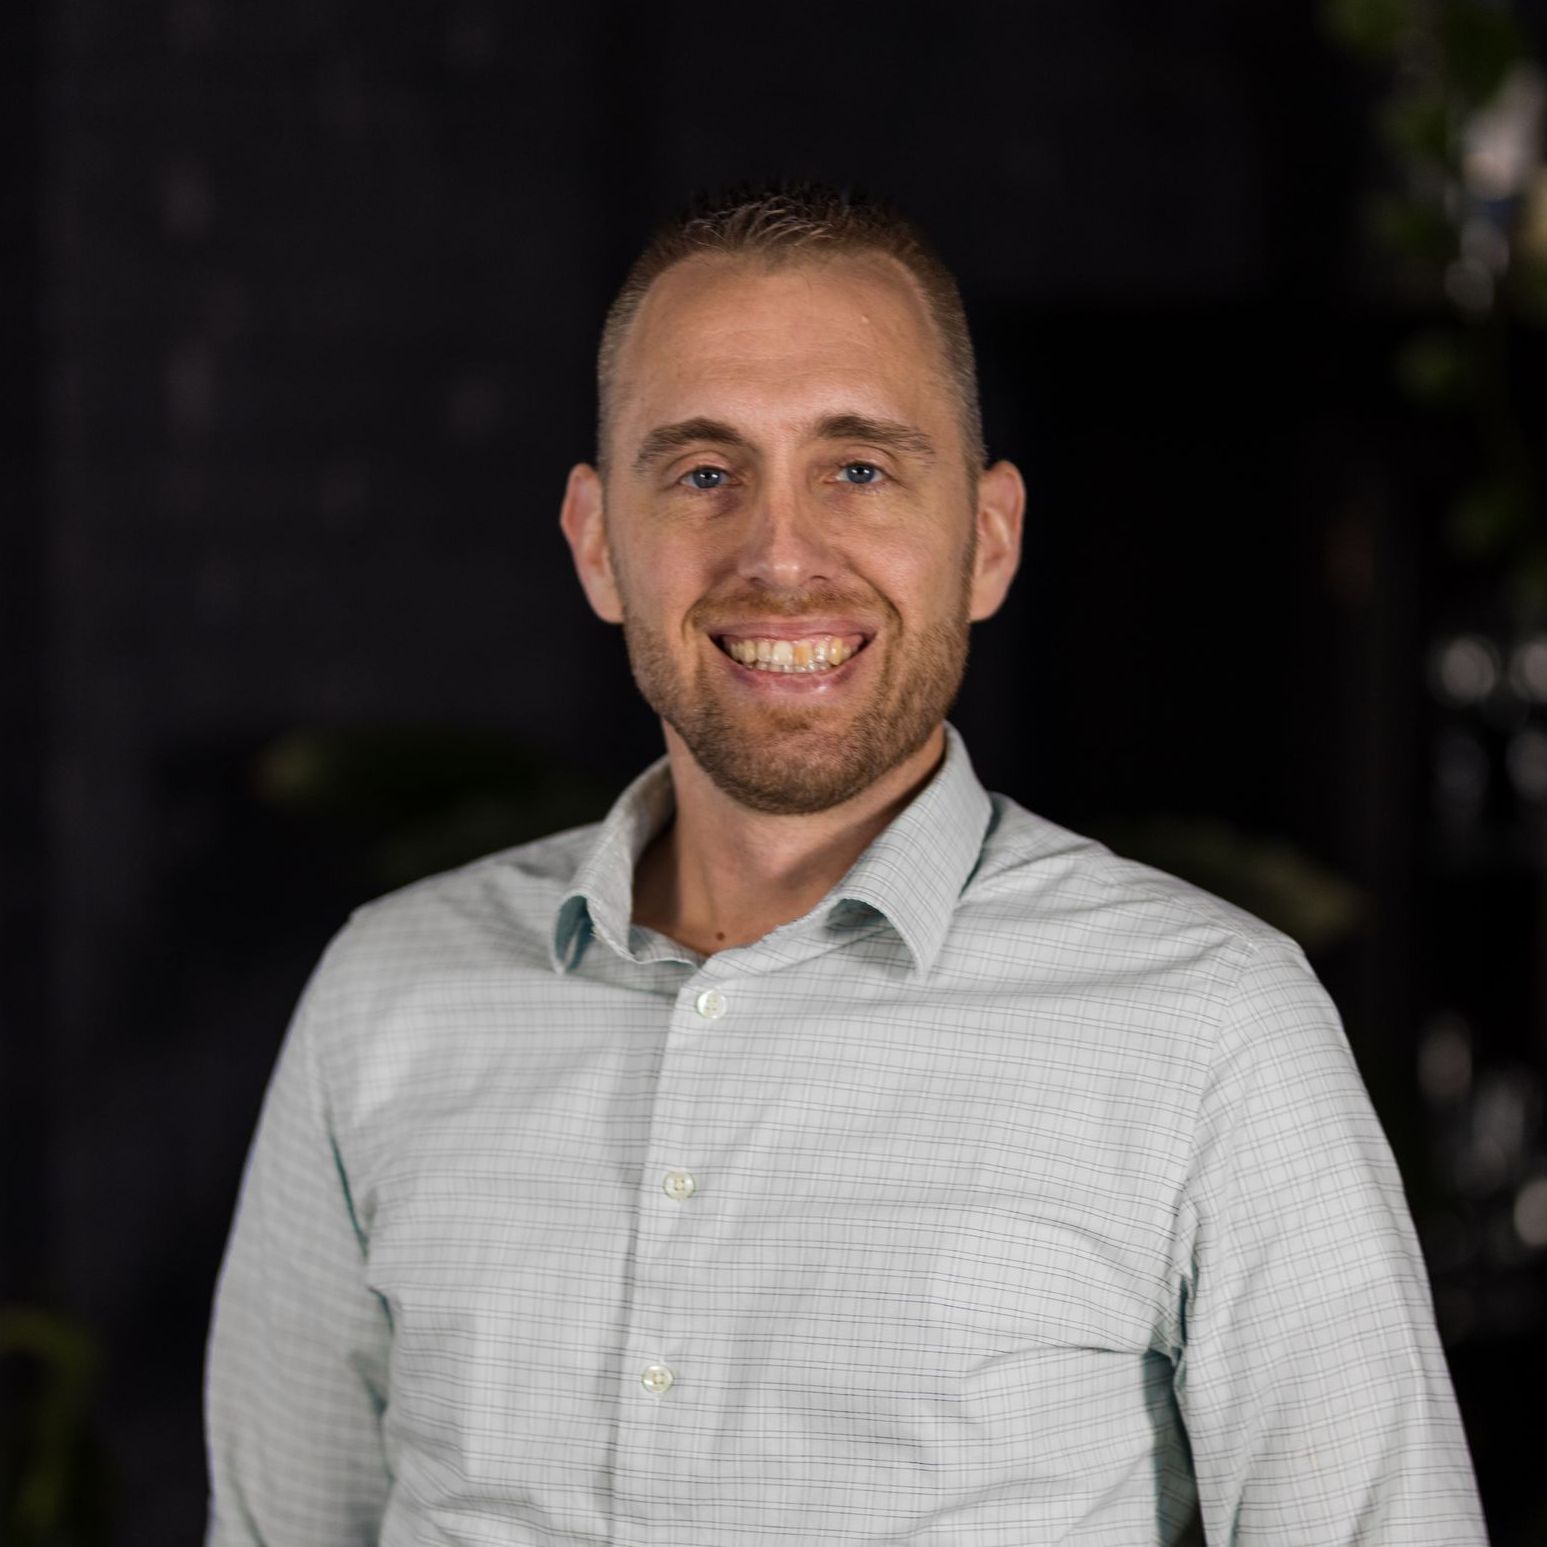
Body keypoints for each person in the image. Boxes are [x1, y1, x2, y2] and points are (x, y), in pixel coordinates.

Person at [205, 183, 1486, 1545]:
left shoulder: (1215, 1029)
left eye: (857, 469)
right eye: (705, 473)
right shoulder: (384, 995)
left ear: (988, 540)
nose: (779, 553)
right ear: (597, 544)